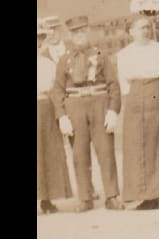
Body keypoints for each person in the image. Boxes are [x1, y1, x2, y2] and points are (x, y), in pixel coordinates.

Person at [51, 15, 125, 212]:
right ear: (71, 35)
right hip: (75, 107)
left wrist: (112, 110)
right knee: (79, 154)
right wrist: (62, 116)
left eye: (82, 31)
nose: (79, 36)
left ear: (88, 32)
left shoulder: (101, 56)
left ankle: (112, 195)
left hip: (99, 104)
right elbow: (57, 90)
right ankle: (84, 197)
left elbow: (113, 85)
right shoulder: (64, 60)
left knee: (106, 152)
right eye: (75, 32)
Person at [117, 16, 159, 210]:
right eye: (140, 28)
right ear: (131, 32)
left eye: (147, 27)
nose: (145, 31)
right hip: (135, 97)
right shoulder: (124, 54)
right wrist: (132, 101)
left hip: (157, 94)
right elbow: (124, 83)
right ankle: (146, 196)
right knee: (138, 146)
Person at [38, 26, 73, 214]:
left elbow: (57, 88)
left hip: (46, 108)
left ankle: (46, 199)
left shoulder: (48, 64)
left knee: (47, 152)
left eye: (39, 39)